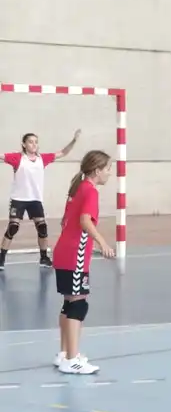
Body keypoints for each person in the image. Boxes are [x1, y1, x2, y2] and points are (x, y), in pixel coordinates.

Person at [52, 150, 115, 375]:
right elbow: (85, 220)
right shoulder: (90, 191)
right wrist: (102, 243)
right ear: (97, 170)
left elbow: (65, 221)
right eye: (108, 169)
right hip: (74, 256)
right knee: (79, 304)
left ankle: (64, 354)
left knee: (70, 303)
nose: (109, 173)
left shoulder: (77, 188)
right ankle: (72, 360)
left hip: (63, 252)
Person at [0, 129, 80, 270]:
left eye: (36, 142)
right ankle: (1, 258)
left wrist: (74, 140)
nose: (34, 144)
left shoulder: (42, 159)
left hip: (35, 200)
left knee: (42, 228)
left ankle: (44, 258)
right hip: (19, 199)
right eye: (30, 142)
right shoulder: (17, 158)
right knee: (13, 228)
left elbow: (62, 153)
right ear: (24, 144)